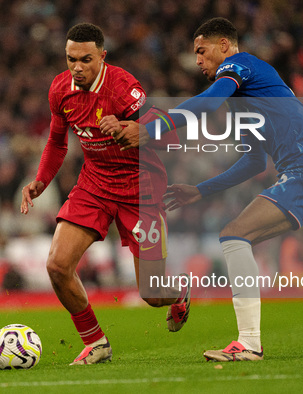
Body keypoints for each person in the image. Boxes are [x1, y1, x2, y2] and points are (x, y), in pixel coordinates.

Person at [101, 17, 303, 361]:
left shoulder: (240, 65)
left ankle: (248, 343)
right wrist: (200, 190)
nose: (198, 60)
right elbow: (255, 162)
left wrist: (152, 130)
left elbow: (206, 102)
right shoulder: (246, 100)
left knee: (234, 236)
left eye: (201, 52)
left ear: (224, 46)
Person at [20, 23, 190, 366]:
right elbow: (56, 141)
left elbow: (162, 125)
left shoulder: (123, 87)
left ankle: (180, 292)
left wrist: (131, 129)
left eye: (85, 59)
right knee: (56, 265)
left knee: (152, 295)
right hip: (94, 184)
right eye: (71, 59)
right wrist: (41, 180)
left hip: (139, 188)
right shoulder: (59, 90)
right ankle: (96, 342)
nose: (77, 67)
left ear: (102, 56)